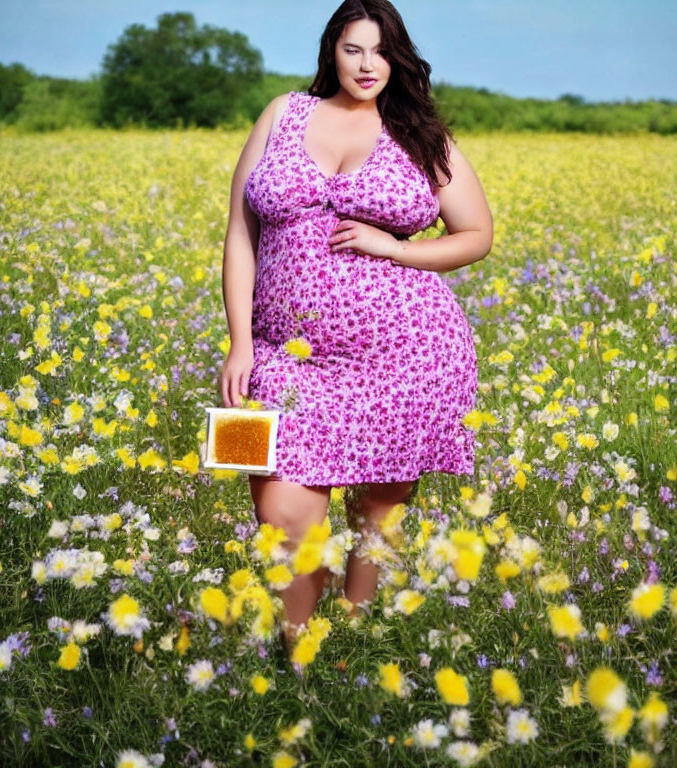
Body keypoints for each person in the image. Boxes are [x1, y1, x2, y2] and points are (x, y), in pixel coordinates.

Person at [219, 0, 493, 664]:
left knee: (377, 512)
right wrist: (240, 341)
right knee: (284, 521)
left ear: (398, 58)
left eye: (381, 51)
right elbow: (239, 232)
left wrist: (394, 248)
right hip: (286, 356)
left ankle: (351, 649)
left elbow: (476, 235)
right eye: (353, 49)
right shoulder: (283, 114)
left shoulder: (419, 136)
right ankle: (296, 656)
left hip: (407, 352)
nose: (368, 65)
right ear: (330, 51)